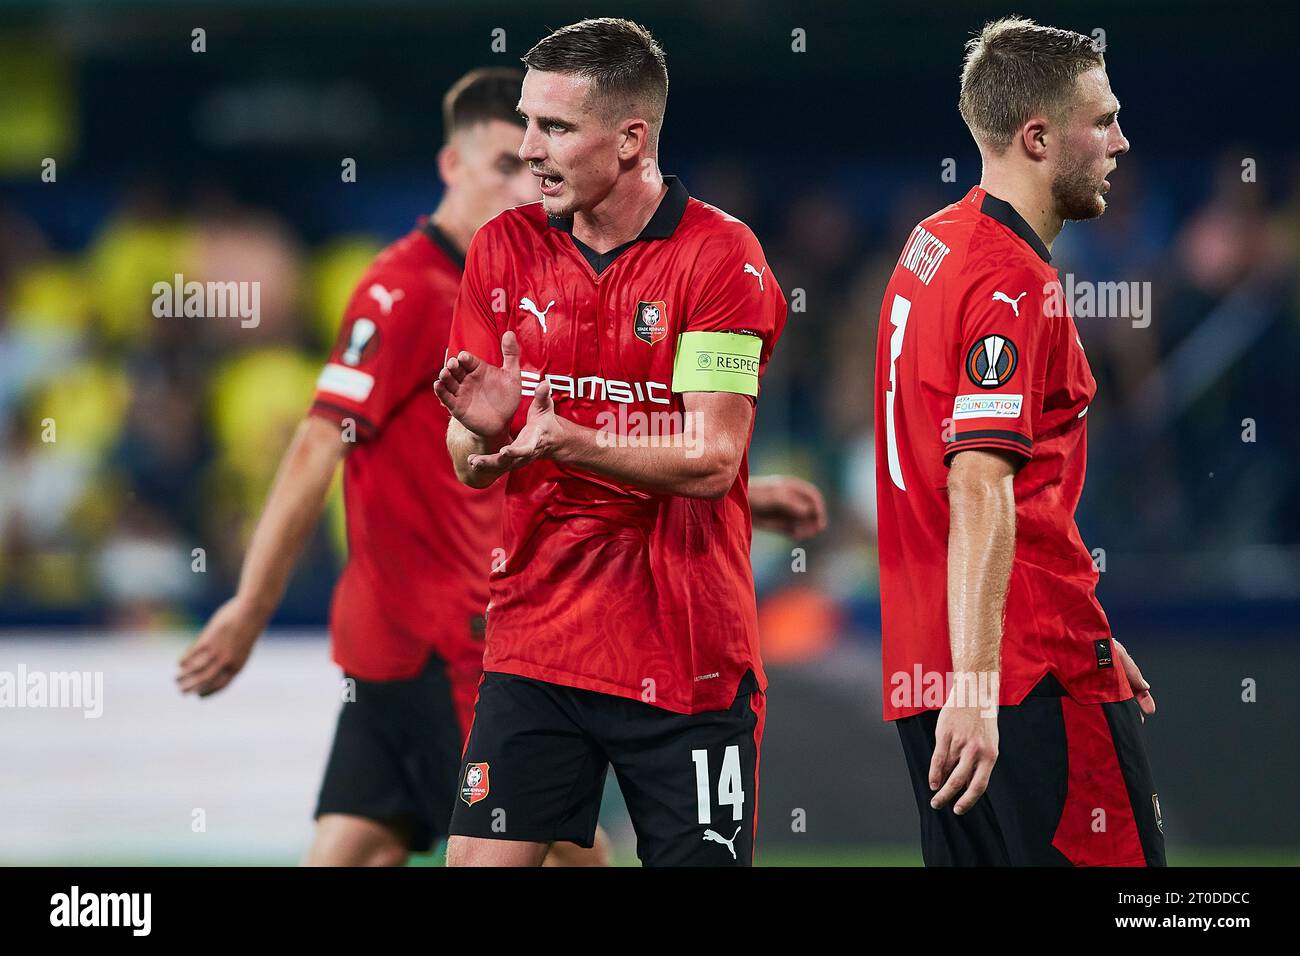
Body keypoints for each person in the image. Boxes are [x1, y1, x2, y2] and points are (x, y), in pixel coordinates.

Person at [176, 67, 611, 866]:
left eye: (536, 166)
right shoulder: (405, 290)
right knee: (549, 847)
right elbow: (316, 447)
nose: (526, 186)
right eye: (502, 167)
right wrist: (250, 606)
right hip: (439, 640)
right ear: (451, 168)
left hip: (431, 639)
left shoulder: (517, 294)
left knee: (383, 850)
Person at [435, 18, 791, 867]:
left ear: (632, 139)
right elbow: (467, 451)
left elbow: (711, 459)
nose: (529, 150)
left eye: (555, 128)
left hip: (689, 659)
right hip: (537, 644)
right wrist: (482, 437)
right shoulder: (503, 250)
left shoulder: (721, 260)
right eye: (526, 123)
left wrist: (563, 439)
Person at [873, 17, 1165, 866]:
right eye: (1103, 119)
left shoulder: (933, 244)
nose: (1121, 139)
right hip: (1017, 673)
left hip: (930, 667)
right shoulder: (1011, 284)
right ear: (1037, 136)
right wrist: (986, 679)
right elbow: (978, 485)